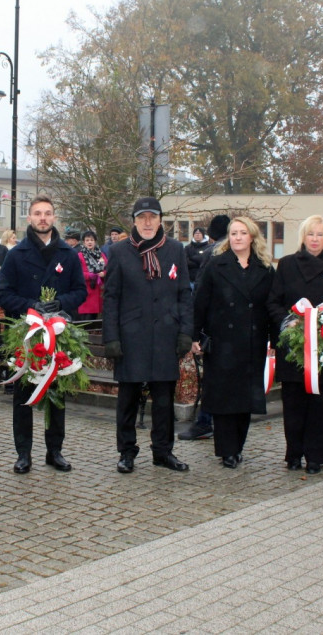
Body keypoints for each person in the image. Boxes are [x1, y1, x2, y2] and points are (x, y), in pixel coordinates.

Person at [0, 195, 86, 474]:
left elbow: (81, 291)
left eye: (48, 213)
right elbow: (3, 294)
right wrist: (30, 305)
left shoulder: (68, 254)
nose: (43, 218)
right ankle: (23, 453)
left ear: (54, 217)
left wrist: (61, 303)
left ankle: (54, 450)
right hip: (27, 334)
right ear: (29, 218)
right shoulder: (16, 254)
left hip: (58, 333)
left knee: (55, 394)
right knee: (23, 395)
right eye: (37, 213)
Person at [103, 197, 193, 474]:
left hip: (165, 336)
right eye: (142, 217)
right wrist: (112, 337)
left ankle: (163, 452)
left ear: (160, 220)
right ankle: (127, 452)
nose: (147, 222)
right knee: (128, 399)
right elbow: (111, 297)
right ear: (134, 220)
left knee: (164, 400)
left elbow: (184, 294)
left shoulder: (176, 249)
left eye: (152, 217)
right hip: (131, 337)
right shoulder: (119, 251)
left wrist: (185, 332)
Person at [268, 215, 323, 474]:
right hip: (295, 348)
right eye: (310, 234)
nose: (315, 239)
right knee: (294, 403)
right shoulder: (286, 264)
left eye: (320, 234)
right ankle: (293, 454)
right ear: (303, 237)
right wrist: (288, 322)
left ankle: (316, 456)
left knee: (321, 404)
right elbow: (273, 301)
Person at [191, 217, 274, 468]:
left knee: (245, 400)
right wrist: (194, 335)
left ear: (252, 237)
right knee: (224, 397)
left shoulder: (265, 268)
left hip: (252, 341)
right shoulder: (216, 265)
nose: (237, 237)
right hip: (222, 341)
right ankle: (227, 450)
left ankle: (238, 447)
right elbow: (200, 302)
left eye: (242, 233)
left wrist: (273, 339)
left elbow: (271, 305)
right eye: (233, 233)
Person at [179, 214, 231, 442]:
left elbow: (199, 291)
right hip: (231, 326)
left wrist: (196, 328)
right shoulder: (235, 252)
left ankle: (205, 423)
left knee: (211, 379)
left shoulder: (213, 253)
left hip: (215, 325)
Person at [76, 230, 107, 321]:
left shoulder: (101, 255)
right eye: (87, 240)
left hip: (99, 291)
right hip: (87, 291)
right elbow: (77, 273)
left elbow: (109, 268)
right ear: (84, 242)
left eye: (92, 240)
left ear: (95, 241)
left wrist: (103, 274)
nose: (90, 242)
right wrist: (90, 275)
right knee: (87, 319)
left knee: (97, 320)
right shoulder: (80, 256)